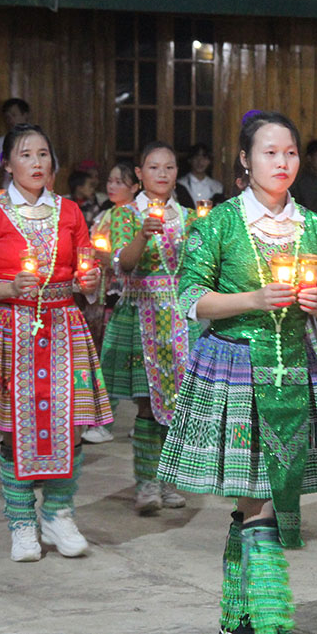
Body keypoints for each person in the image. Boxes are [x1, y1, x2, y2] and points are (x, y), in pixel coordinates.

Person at [157, 110, 317, 634]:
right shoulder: (218, 224)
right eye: (269, 152)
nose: (282, 162)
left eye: (289, 153)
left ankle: (239, 617)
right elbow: (190, 296)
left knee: (258, 504)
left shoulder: (313, 226)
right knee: (259, 500)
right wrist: (252, 299)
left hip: (292, 371)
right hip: (237, 370)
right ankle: (269, 622)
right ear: (244, 159)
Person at [0, 124, 113, 562]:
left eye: (44, 154)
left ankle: (58, 515)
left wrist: (89, 279)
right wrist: (8, 288)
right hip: (7, 329)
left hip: (61, 325)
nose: (37, 163)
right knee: (12, 430)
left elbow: (85, 269)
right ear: (7, 163)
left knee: (70, 427)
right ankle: (21, 524)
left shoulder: (70, 211)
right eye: (26, 155)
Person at [101, 141, 198, 514]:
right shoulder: (125, 215)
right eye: (154, 167)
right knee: (146, 405)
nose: (162, 173)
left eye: (170, 167)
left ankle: (168, 480)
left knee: (176, 406)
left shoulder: (189, 218)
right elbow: (123, 265)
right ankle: (145, 483)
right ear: (139, 174)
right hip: (140, 314)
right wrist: (142, 234)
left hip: (179, 320)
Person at [78, 161, 141, 446]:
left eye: (120, 181)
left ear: (135, 187)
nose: (112, 186)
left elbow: (127, 255)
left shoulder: (130, 216)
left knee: (112, 358)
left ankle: (107, 420)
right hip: (102, 293)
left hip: (120, 295)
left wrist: (110, 260)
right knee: (106, 357)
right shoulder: (108, 213)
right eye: (111, 181)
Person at [176, 142, 224, 208]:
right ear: (190, 160)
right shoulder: (181, 184)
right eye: (196, 157)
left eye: (204, 158)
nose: (200, 161)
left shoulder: (217, 186)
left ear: (209, 161)